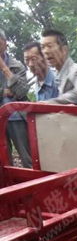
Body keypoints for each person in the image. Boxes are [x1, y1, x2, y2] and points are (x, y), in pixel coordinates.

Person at [0, 28, 32, 168]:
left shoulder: (17, 66)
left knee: (27, 158)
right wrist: (3, 92)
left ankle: (32, 181)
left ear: (4, 42)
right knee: (3, 162)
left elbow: (21, 92)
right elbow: (8, 92)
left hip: (17, 116)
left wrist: (4, 68)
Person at [41, 29, 77, 104]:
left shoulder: (76, 71)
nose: (45, 51)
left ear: (64, 50)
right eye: (43, 47)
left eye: (49, 46)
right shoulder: (57, 74)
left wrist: (49, 103)